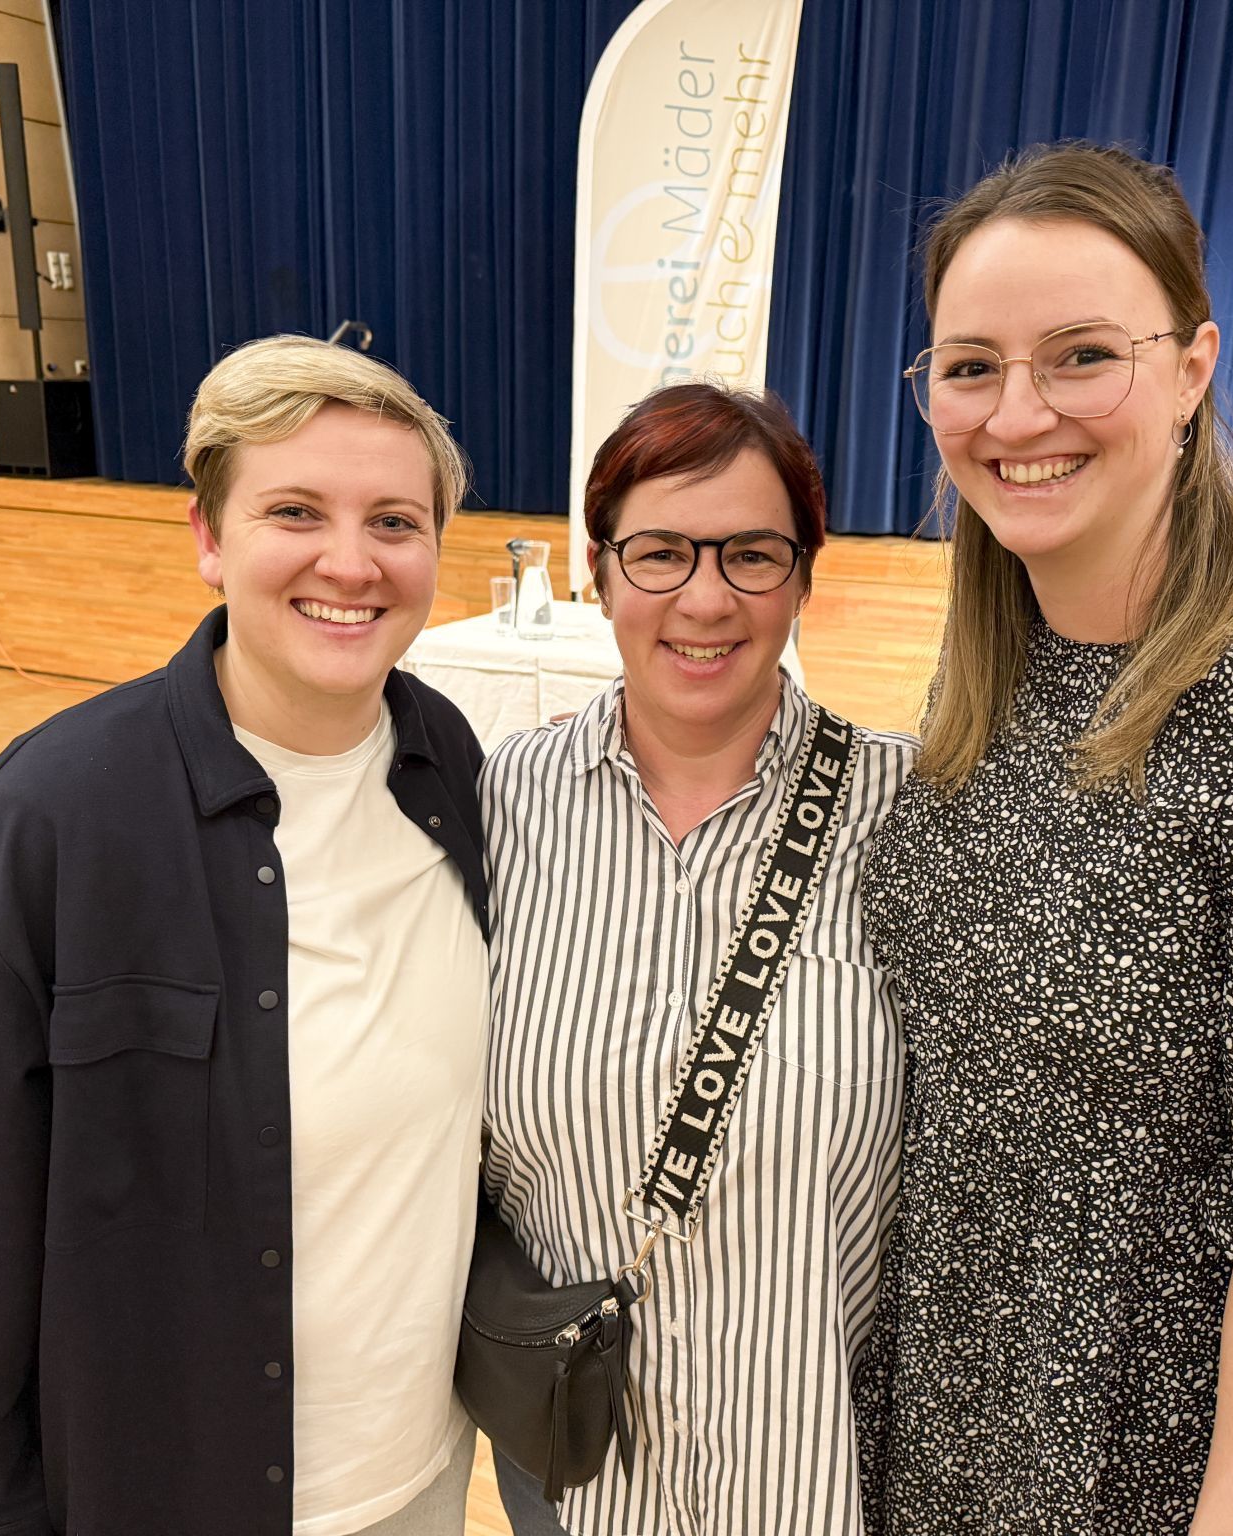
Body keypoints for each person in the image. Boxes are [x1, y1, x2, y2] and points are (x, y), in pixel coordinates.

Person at [852, 141, 1233, 1535]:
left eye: (1081, 356)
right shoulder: (997, 670)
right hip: (939, 1410)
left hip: (1136, 1461)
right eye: (969, 366)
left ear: (1193, 368)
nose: (1016, 413)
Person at [0, 336, 489, 1535]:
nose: (350, 562)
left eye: (394, 522)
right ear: (208, 537)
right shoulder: (38, 826)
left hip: (417, 1473)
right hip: (165, 1494)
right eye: (294, 511)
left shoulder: (450, 766)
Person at [480, 383, 917, 1536]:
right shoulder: (504, 802)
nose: (706, 598)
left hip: (819, 1470)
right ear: (598, 569)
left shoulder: (906, 811)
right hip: (574, 1471)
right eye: (661, 552)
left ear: (804, 577)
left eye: (752, 555)